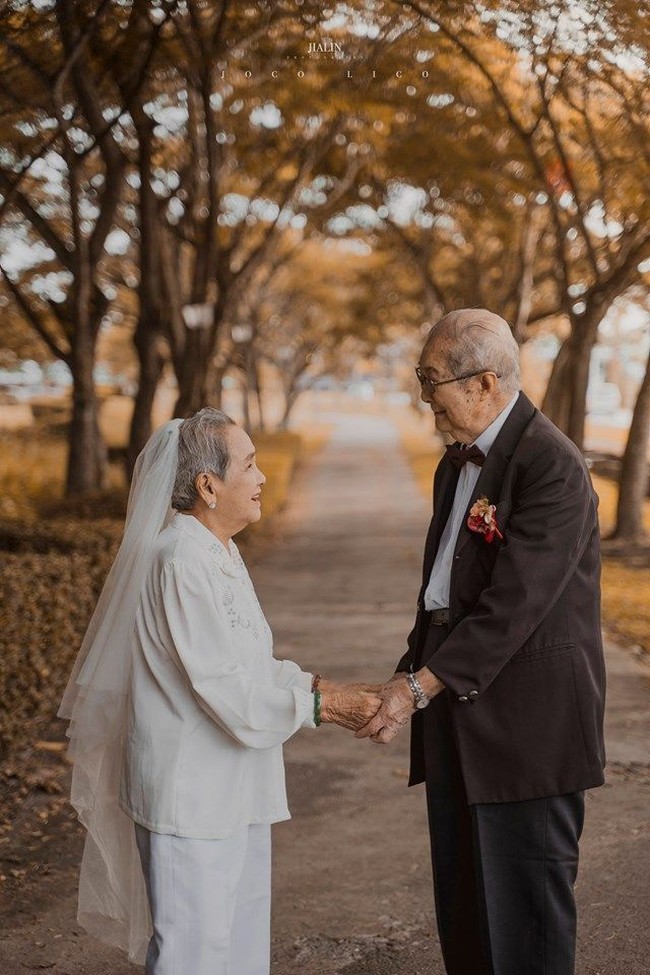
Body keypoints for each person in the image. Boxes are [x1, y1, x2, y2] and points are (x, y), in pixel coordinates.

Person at [59, 407, 380, 975]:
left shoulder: (218, 550)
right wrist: (322, 708)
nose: (261, 479)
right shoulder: (180, 558)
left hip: (232, 787)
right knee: (194, 954)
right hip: (191, 794)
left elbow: (248, 662)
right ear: (208, 485)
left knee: (238, 941)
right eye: (250, 465)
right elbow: (223, 687)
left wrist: (319, 686)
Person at [357, 309, 606, 975]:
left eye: (431, 378)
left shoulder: (551, 465)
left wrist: (415, 687)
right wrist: (408, 674)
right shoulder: (453, 465)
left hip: (527, 728)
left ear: (486, 383)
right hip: (458, 719)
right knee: (465, 914)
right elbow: (445, 593)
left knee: (525, 924)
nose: (422, 394)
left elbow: (512, 607)